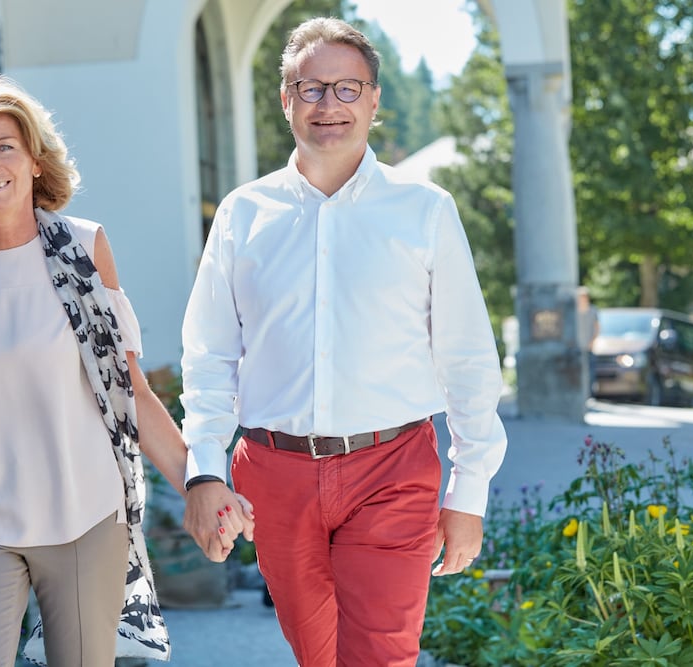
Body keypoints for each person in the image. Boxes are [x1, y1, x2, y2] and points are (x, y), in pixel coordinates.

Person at [180, 17, 507, 666]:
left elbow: (467, 357)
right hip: (274, 474)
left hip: (392, 468)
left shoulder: (425, 210)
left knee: (381, 655)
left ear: (374, 99)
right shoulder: (243, 214)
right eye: (311, 88)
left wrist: (468, 494)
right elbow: (209, 356)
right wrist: (205, 471)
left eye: (347, 88)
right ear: (286, 100)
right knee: (318, 655)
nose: (329, 104)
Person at [0, 74, 232, 666]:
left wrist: (201, 485)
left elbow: (129, 392)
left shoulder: (84, 249)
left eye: (5, 147)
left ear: (34, 160)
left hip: (85, 516)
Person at [577, 286, 599, 394]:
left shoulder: (593, 311)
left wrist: (592, 341)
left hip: (589, 347)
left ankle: (589, 394)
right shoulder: (574, 311)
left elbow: (597, 327)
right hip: (577, 348)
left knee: (590, 372)